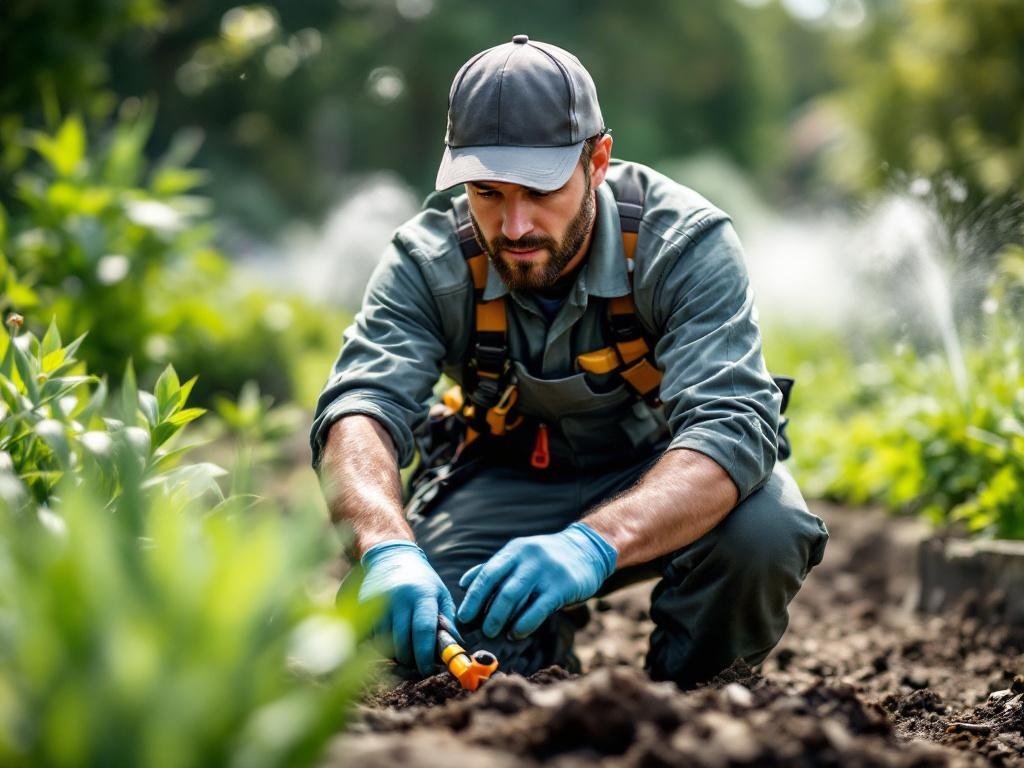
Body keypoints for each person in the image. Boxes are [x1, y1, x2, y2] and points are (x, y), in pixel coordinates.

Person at [311, 35, 828, 688]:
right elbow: (359, 410)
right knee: (422, 633)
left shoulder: (684, 244)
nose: (515, 224)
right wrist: (386, 547)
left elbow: (730, 425)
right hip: (505, 478)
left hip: (664, 467)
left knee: (765, 532)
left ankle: (695, 698)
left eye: (539, 189)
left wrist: (591, 543)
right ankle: (533, 664)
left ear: (598, 161)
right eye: (488, 192)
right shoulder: (427, 261)